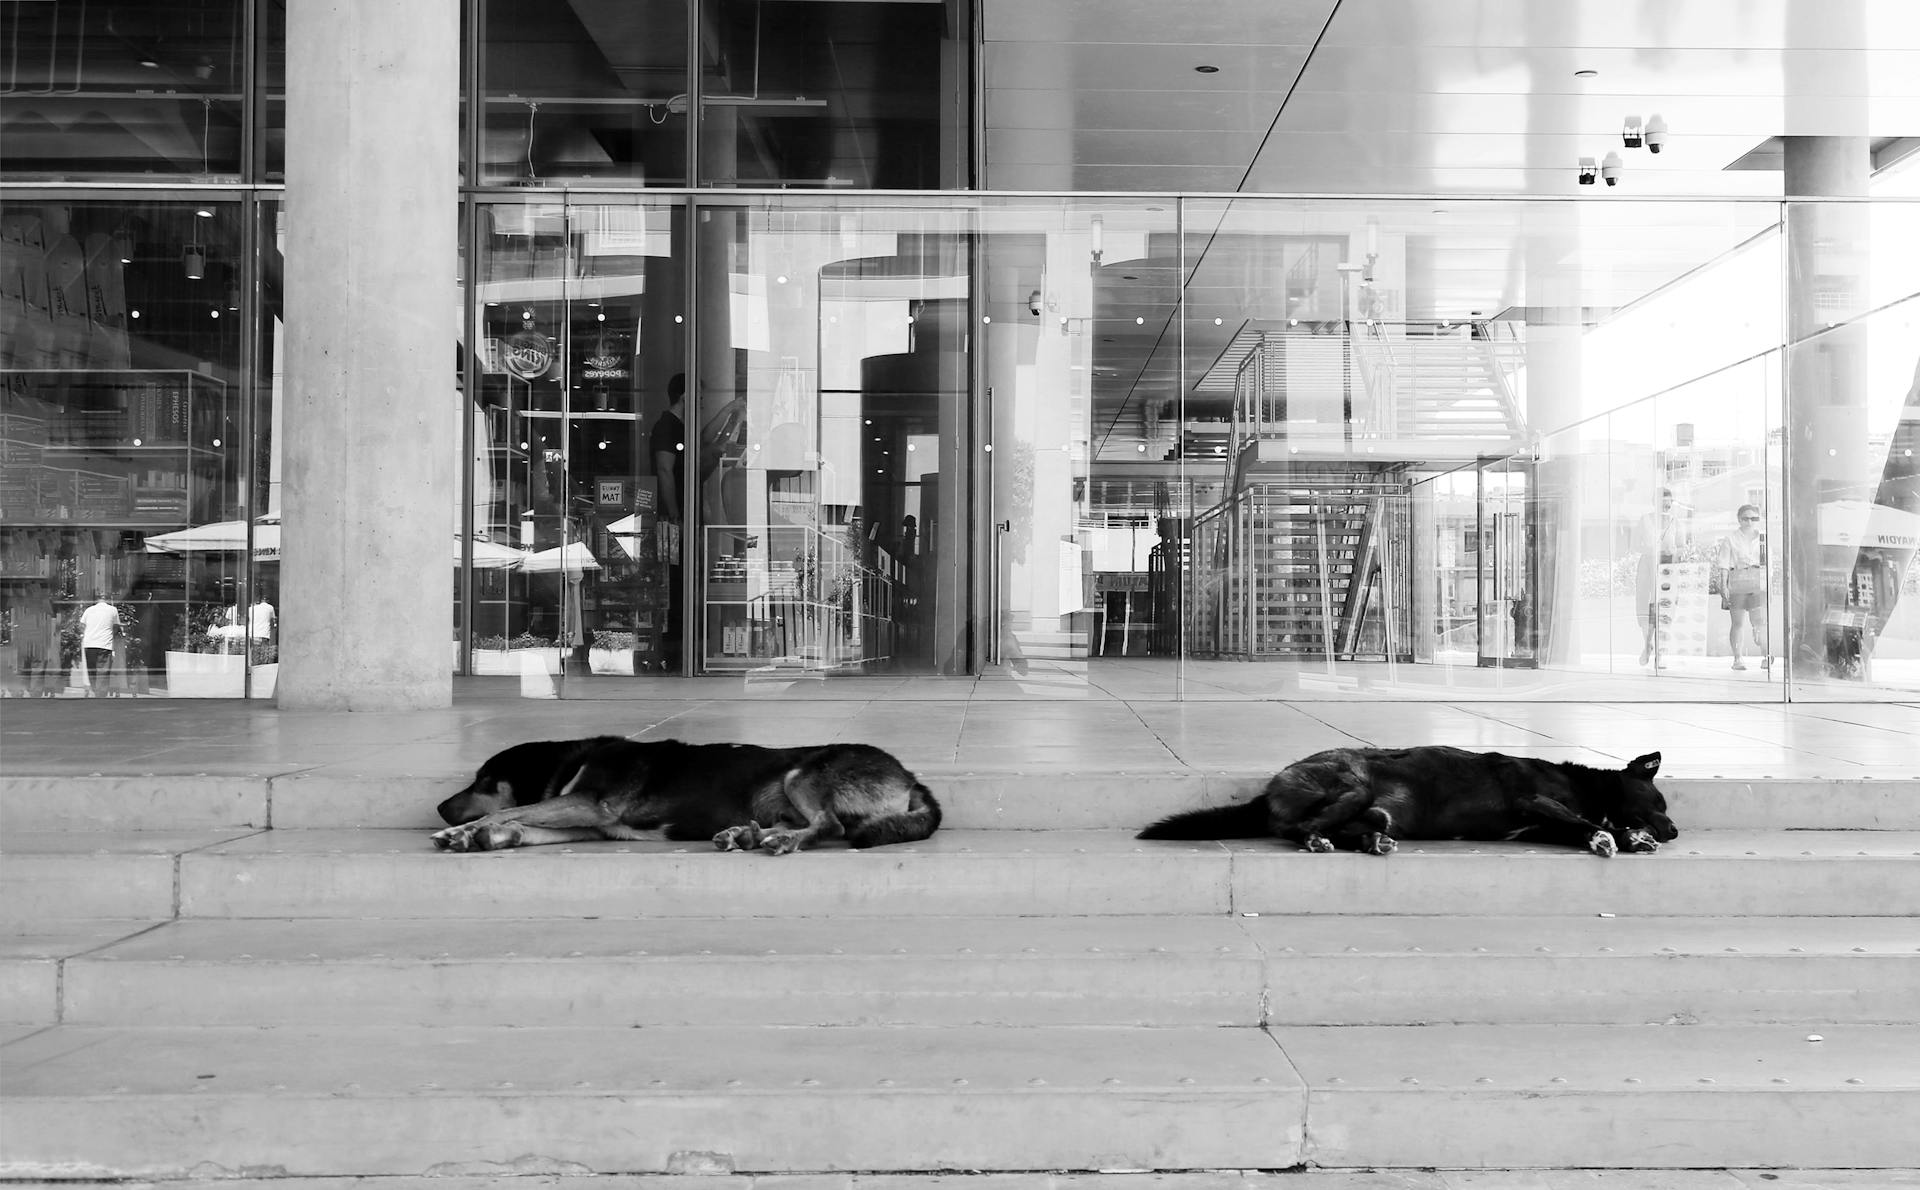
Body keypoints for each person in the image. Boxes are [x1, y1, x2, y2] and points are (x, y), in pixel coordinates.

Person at [1633, 487, 1689, 667]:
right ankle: (1647, 644)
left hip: (1668, 567)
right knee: (1646, 606)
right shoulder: (1645, 520)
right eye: (1662, 502)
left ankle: (1660, 653)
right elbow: (1635, 545)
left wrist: (1673, 552)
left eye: (1668, 502)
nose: (1666, 505)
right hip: (1648, 566)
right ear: (1654, 503)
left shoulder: (1676, 522)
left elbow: (1682, 547)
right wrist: (1651, 550)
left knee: (1664, 608)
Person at [1714, 503, 1769, 671]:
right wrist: (1723, 586)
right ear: (1739, 520)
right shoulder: (1731, 538)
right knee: (1737, 622)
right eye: (1745, 518)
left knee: (1759, 622)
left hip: (1758, 580)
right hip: (1737, 580)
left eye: (1754, 518)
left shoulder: (1763, 538)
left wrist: (1768, 586)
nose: (1750, 522)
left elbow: (1769, 564)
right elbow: (1723, 564)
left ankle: (1766, 656)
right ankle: (1738, 658)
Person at [78, 594, 121, 697]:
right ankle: (100, 694)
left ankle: (95, 690)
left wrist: (87, 634)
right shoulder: (113, 610)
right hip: (104, 643)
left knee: (92, 669)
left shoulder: (89, 610)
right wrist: (111, 634)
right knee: (103, 670)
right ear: (107, 600)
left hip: (89, 644)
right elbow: (116, 627)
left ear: (97, 600)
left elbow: (81, 626)